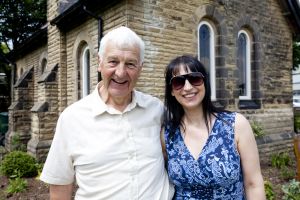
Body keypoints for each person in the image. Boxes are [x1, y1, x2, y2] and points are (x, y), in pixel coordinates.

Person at [40, 26, 174, 200]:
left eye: (130, 64)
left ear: (140, 68)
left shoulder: (156, 109)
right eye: (113, 62)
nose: (120, 72)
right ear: (99, 63)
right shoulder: (72, 118)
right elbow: (60, 188)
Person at [163, 55, 266, 199]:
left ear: (205, 82)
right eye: (178, 82)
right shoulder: (167, 134)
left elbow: (253, 184)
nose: (188, 87)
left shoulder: (235, 124)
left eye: (194, 79)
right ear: (172, 91)